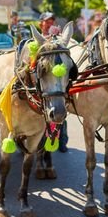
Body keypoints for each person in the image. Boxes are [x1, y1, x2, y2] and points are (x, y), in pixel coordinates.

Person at [39, 11, 68, 153]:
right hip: (43, 81)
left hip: (58, 80)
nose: (50, 23)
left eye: (52, 21)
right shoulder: (36, 41)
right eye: (47, 21)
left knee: (62, 104)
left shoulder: (59, 40)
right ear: (41, 24)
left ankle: (62, 138)